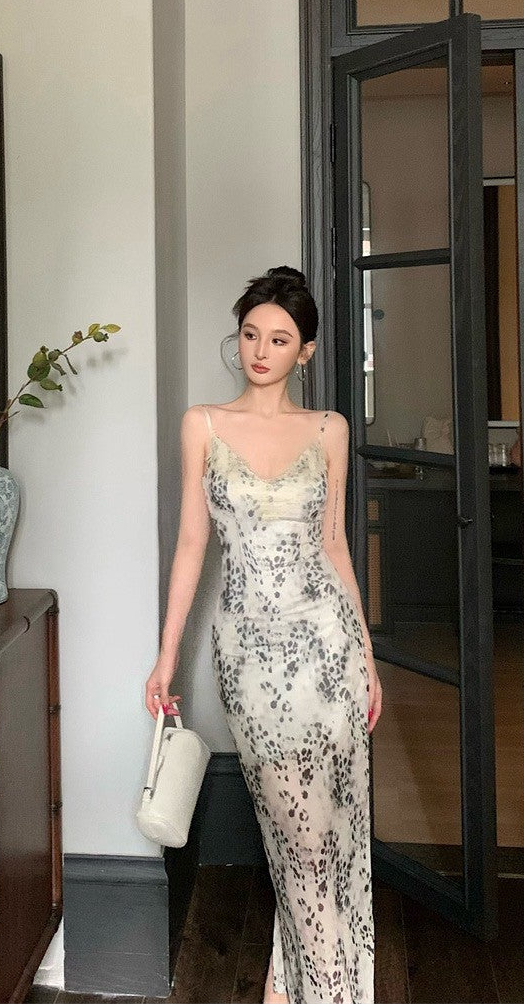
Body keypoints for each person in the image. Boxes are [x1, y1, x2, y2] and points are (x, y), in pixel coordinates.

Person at [145, 265, 382, 1004]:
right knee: (298, 831)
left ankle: (291, 985)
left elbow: (335, 545)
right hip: (248, 653)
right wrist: (166, 656)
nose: (260, 350)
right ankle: (328, 988)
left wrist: (368, 659)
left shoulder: (330, 429)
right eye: (251, 334)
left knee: (330, 830)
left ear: (304, 351)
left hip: (329, 648)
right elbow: (193, 543)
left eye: (279, 339)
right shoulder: (203, 424)